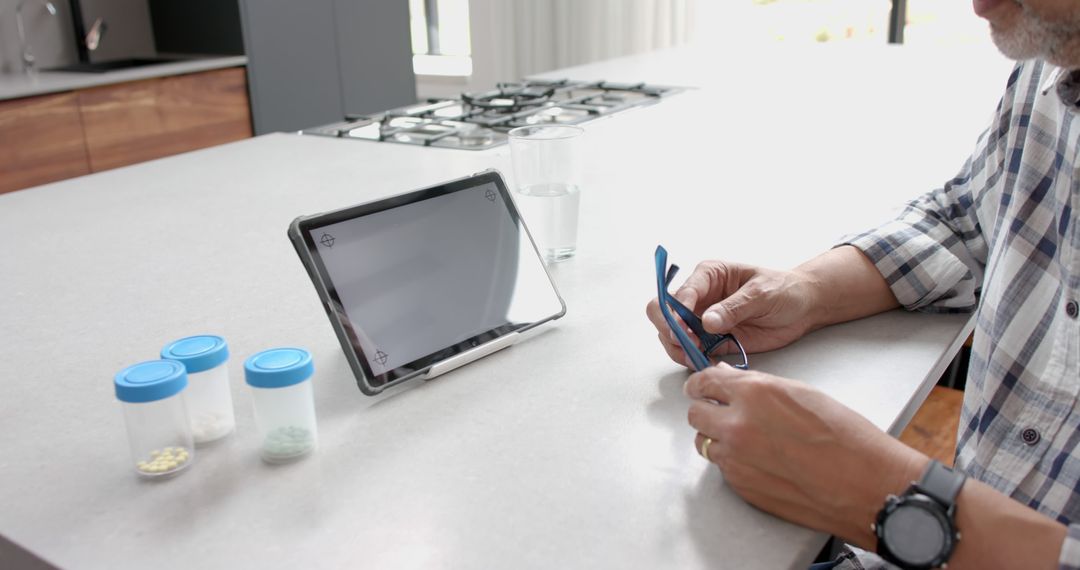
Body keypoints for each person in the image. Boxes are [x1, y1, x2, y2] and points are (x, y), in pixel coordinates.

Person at [646, 0, 1080, 568]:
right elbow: (970, 220)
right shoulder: (1049, 60)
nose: (979, 4)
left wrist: (878, 495)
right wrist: (806, 292)